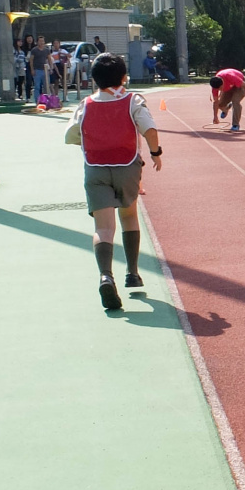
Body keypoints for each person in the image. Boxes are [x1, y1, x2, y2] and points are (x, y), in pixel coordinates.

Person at [64, 52, 163, 312]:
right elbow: (149, 129)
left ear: (94, 79)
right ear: (124, 77)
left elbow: (71, 135)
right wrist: (155, 152)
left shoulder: (86, 104)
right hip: (126, 166)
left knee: (103, 228)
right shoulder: (133, 100)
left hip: (95, 169)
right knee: (129, 216)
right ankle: (133, 273)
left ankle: (106, 276)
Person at [209, 66, 245, 131]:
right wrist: (215, 117)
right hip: (229, 86)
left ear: (223, 82)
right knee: (220, 104)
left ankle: (235, 125)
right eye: (218, 89)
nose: (220, 90)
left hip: (241, 84)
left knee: (235, 101)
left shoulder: (231, 76)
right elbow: (215, 102)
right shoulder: (215, 86)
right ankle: (226, 109)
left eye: (220, 88)